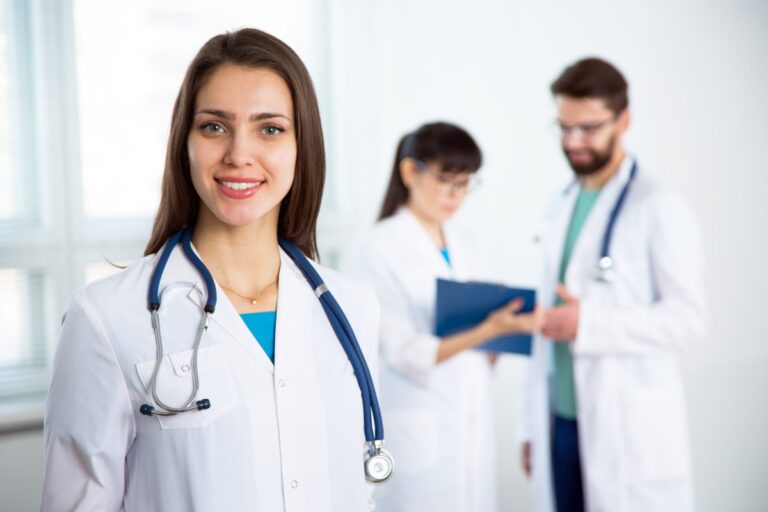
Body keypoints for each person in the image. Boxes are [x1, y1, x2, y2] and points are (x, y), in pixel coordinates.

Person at [42, 28, 384, 511]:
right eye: (215, 127)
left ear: (301, 146)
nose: (239, 154)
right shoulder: (107, 318)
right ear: (185, 142)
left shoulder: (353, 308)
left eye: (270, 128)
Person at [519, 57, 707, 512]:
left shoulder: (658, 205)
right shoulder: (561, 202)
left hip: (625, 426)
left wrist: (591, 323)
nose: (573, 142)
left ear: (624, 120)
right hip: (560, 420)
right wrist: (530, 426)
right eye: (563, 127)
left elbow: (688, 321)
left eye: (588, 127)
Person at [349, 122, 541, 511]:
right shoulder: (378, 246)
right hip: (419, 428)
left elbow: (478, 337)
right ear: (409, 173)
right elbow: (404, 351)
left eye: (466, 183)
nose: (457, 195)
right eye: (446, 181)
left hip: (471, 424)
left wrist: (498, 337)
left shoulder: (467, 243)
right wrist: (487, 330)